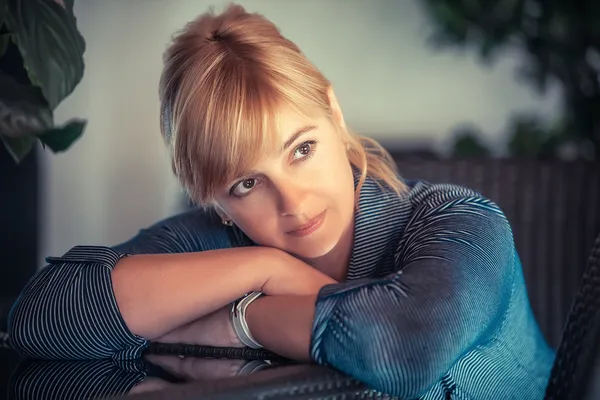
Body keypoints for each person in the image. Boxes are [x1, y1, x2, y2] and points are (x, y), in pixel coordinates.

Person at [8, 4, 555, 399]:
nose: (292, 202)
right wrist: (265, 266)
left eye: (302, 149)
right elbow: (41, 318)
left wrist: (241, 320)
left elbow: (403, 352)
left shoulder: (460, 222)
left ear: (334, 115)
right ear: (215, 201)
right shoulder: (218, 241)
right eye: (246, 184)